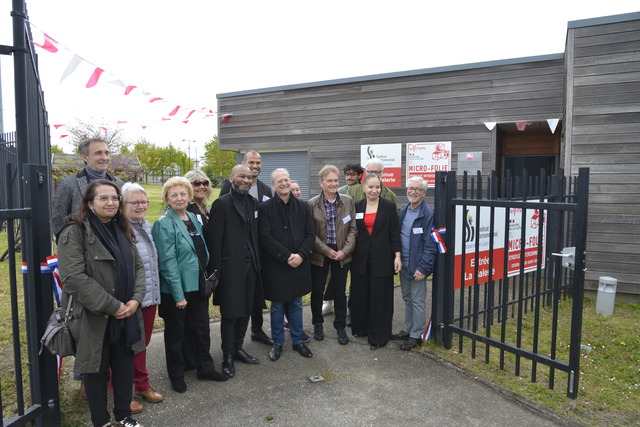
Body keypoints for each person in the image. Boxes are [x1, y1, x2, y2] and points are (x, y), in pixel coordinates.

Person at [57, 179, 145, 427]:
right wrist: (113, 306)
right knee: (96, 369)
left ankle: (123, 415)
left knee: (124, 365)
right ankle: (101, 421)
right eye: (103, 198)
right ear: (90, 203)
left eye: (115, 197)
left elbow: (138, 267)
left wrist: (135, 300)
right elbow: (74, 278)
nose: (111, 202)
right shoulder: (74, 231)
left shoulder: (122, 228)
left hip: (127, 313)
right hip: (94, 315)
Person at [152, 177, 228, 394]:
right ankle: (176, 374)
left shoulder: (194, 218)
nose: (179, 198)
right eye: (174, 194)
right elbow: (167, 263)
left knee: (202, 329)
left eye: (183, 193)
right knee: (176, 334)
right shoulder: (163, 224)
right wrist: (178, 295)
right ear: (167, 198)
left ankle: (205, 368)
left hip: (198, 286)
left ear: (189, 196)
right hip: (177, 289)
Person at [206, 165, 266, 377]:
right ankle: (228, 355)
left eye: (249, 177)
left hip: (252, 268)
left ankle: (239, 347)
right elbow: (214, 242)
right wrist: (216, 275)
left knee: (247, 310)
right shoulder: (222, 204)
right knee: (230, 314)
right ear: (231, 178)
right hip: (230, 270)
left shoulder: (253, 203)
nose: (246, 180)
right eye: (242, 176)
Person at [258, 169, 315, 361]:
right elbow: (264, 237)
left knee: (297, 305)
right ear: (273, 185)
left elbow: (310, 235)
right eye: (279, 181)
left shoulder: (303, 206)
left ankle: (298, 341)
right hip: (277, 266)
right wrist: (286, 255)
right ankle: (278, 343)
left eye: (286, 180)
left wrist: (301, 255)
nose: (284, 183)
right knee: (277, 306)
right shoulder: (265, 208)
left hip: (299, 264)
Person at [219, 150, 273, 347]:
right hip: (233, 260)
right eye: (251, 163)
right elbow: (220, 231)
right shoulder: (225, 194)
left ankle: (250, 337)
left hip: (255, 258)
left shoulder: (262, 194)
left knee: (251, 301)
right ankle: (230, 350)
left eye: (258, 163)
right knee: (234, 307)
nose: (255, 166)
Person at [121, 183, 164, 414]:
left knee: (142, 344)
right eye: (135, 202)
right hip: (130, 300)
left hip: (149, 297)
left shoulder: (146, 225)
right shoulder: (120, 228)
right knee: (126, 347)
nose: (140, 206)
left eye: (144, 202)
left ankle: (142, 385)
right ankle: (121, 392)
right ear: (123, 204)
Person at [350, 174, 401, 350]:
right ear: (363, 188)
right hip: (361, 259)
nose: (374, 190)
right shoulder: (357, 206)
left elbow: (394, 233)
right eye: (370, 187)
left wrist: (397, 256)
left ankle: (379, 336)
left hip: (383, 259)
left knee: (380, 298)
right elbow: (352, 232)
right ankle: (361, 328)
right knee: (361, 295)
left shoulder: (388, 207)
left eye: (377, 187)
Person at [308, 165, 357, 345]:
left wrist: (344, 251)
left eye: (336, 180)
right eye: (329, 181)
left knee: (339, 291)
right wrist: (327, 251)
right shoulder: (312, 204)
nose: (334, 184)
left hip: (342, 255)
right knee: (317, 291)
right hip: (320, 255)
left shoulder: (348, 201)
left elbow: (353, 229)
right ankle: (317, 324)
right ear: (321, 183)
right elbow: (310, 234)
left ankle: (340, 327)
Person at [391, 176, 437, 350]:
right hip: (403, 261)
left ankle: (416, 335)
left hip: (417, 264)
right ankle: (408, 329)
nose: (413, 191)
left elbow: (430, 244)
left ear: (424, 193)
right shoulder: (404, 210)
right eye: (411, 188)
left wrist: (423, 267)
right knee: (407, 297)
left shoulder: (428, 214)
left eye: (418, 189)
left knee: (417, 300)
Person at [52, 138, 124, 235]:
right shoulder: (68, 184)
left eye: (106, 153)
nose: (104, 157)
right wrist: (71, 244)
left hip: (113, 243)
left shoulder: (119, 184)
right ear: (84, 157)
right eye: (98, 153)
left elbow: (124, 216)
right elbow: (57, 219)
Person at [324, 163, 365, 316]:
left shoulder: (365, 190)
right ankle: (329, 302)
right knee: (332, 275)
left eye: (353, 174)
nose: (349, 177)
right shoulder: (339, 191)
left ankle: (351, 306)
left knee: (354, 276)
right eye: (347, 174)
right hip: (339, 241)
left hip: (357, 241)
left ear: (360, 176)